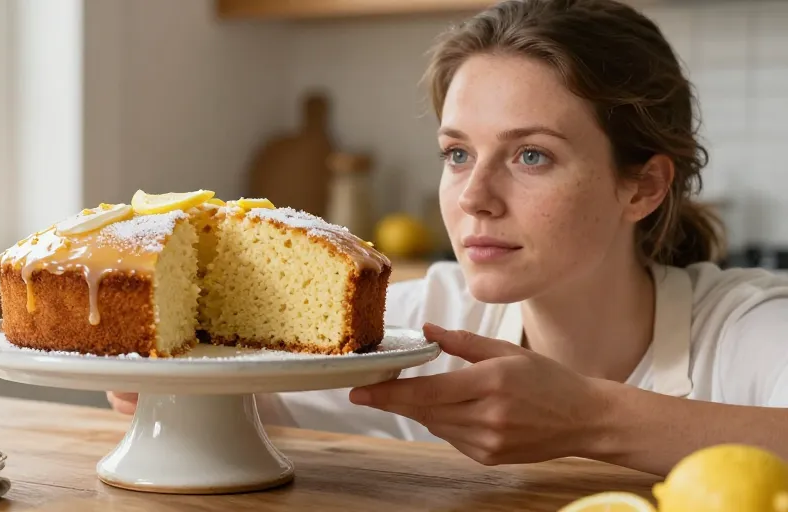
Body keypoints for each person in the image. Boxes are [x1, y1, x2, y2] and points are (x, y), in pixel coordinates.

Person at [109, 0, 788, 476]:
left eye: (531, 157)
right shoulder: (421, 327)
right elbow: (234, 396)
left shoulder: (745, 330)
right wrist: (167, 378)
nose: (473, 198)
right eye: (458, 153)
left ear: (642, 187)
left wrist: (588, 419)